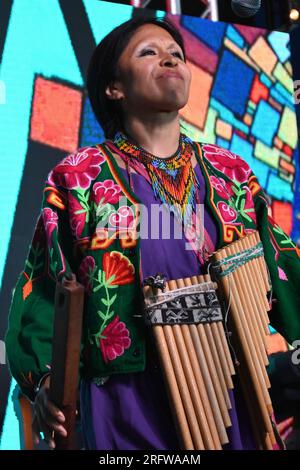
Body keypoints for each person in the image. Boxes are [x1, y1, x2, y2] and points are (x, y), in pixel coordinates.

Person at [5, 16, 300, 451]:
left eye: (177, 53)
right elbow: (46, 290)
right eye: (149, 52)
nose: (171, 58)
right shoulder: (80, 178)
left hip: (228, 395)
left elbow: (282, 270)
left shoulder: (231, 173)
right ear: (114, 88)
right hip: (123, 405)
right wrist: (47, 379)